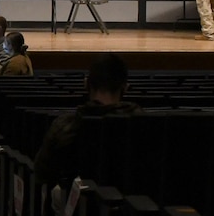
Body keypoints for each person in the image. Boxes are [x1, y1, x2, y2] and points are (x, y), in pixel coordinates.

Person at [34, 54, 140, 198]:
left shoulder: (66, 126)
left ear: (86, 84)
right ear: (125, 87)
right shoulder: (145, 127)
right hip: (133, 209)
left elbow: (43, 173)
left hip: (77, 211)